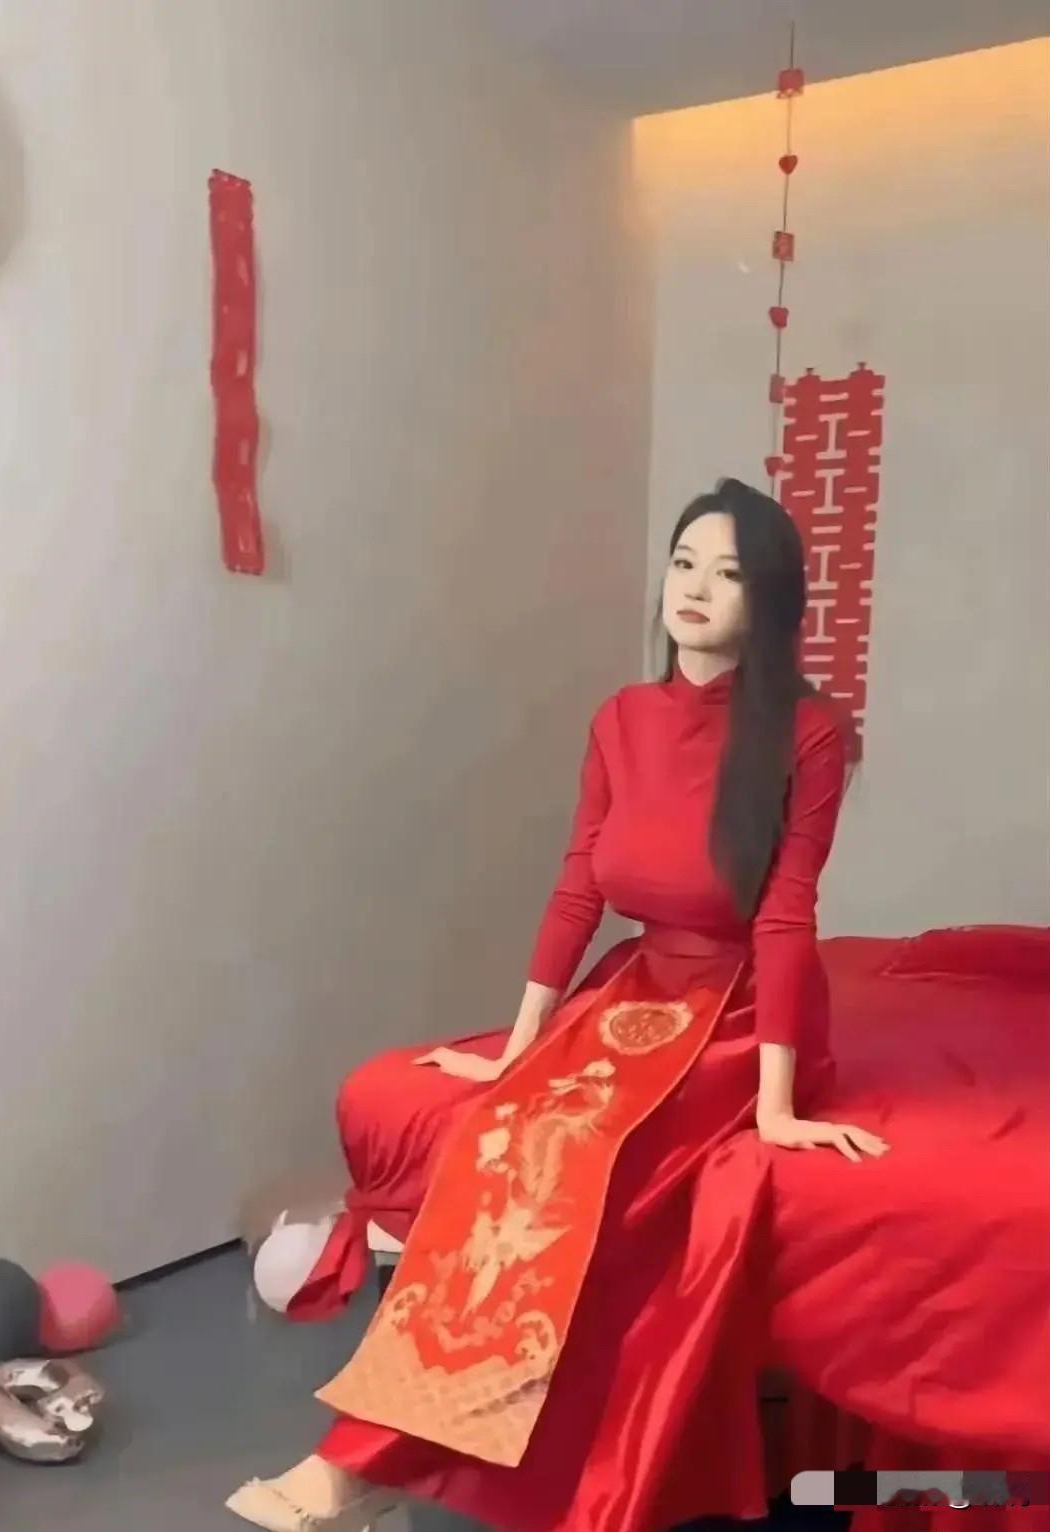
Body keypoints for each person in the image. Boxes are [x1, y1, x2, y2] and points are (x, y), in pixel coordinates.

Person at [227, 478, 889, 1532]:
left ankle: (369, 1466)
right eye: (684, 563)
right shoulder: (621, 719)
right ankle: (396, 1446)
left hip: (736, 1009)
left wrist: (776, 1104)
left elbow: (784, 915)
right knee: (502, 1128)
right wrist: (518, 1048)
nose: (696, 588)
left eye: (729, 573)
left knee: (574, 1150)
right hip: (634, 986)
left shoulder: (806, 733)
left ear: (769, 601)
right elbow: (580, 885)